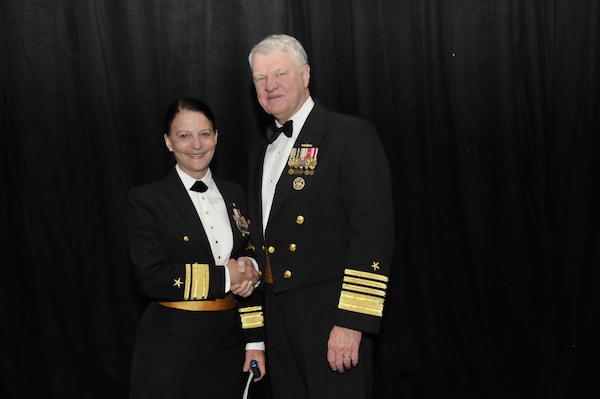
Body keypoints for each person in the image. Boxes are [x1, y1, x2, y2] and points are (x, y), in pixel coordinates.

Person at [246, 34, 394, 398]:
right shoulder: (260, 151)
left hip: (331, 315)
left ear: (306, 74)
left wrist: (352, 322)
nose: (270, 86)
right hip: (278, 315)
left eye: (280, 73)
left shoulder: (349, 136)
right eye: (260, 79)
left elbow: (372, 234)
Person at [128, 98, 266, 398]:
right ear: (168, 142)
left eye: (204, 134)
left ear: (216, 136)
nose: (196, 145)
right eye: (184, 135)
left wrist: (255, 341)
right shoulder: (147, 201)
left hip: (230, 345)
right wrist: (226, 278)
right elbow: (151, 277)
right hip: (172, 348)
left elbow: (251, 252)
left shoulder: (235, 194)